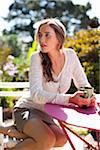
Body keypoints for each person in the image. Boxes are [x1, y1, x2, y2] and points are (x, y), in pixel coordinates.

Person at [0, 18, 96, 150]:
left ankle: (13, 138)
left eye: (47, 35)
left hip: (46, 113)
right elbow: (37, 95)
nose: (42, 39)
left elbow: (84, 84)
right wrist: (70, 99)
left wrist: (89, 96)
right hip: (27, 109)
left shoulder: (71, 56)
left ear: (59, 37)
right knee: (47, 140)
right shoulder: (36, 58)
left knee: (62, 139)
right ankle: (12, 140)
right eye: (39, 35)